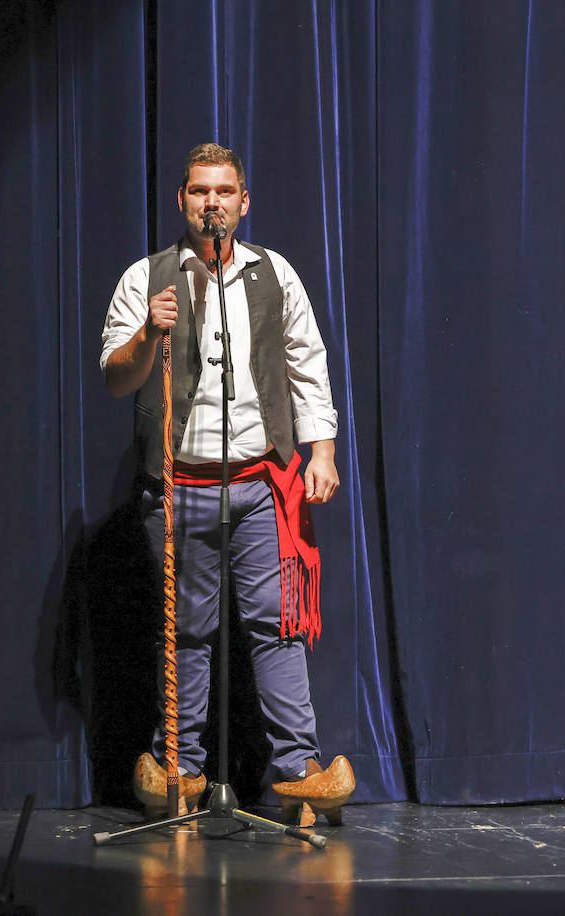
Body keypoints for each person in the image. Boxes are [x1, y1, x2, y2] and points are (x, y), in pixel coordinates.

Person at [101, 142, 353, 825]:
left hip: (261, 483)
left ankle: (299, 771)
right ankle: (180, 770)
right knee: (189, 632)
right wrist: (147, 337)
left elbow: (308, 363)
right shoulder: (146, 278)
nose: (211, 202)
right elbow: (116, 376)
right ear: (181, 201)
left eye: (224, 191)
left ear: (244, 201)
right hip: (181, 487)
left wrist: (321, 450)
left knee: (277, 627)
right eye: (198, 191)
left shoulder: (273, 275)